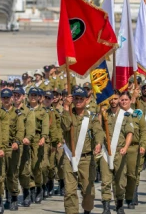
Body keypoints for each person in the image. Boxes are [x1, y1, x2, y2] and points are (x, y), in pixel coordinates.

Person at [61, 86, 103, 214]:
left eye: (81, 98)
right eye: (76, 98)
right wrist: (66, 107)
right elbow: (65, 126)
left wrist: (99, 143)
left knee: (88, 191)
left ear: (86, 100)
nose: (78, 101)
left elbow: (98, 130)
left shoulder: (91, 116)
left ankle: (87, 210)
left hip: (86, 158)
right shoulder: (67, 114)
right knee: (69, 191)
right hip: (70, 157)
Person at [99, 90, 133, 214]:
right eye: (111, 99)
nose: (113, 101)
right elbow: (98, 128)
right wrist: (100, 112)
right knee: (105, 180)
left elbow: (130, 132)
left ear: (119, 99)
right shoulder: (104, 114)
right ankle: (106, 206)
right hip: (106, 152)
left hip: (120, 151)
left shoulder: (125, 115)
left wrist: (126, 147)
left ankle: (119, 204)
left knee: (120, 181)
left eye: (115, 99)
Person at [0, 88, 25, 211]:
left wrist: (17, 141)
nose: (5, 100)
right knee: (1, 174)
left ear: (11, 98)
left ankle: (14, 197)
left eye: (7, 98)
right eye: (3, 98)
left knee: (12, 174)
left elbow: (20, 130)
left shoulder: (17, 113)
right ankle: (7, 197)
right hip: (0, 147)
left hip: (12, 147)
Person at [123, 90, 146, 209]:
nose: (123, 102)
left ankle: (132, 196)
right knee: (122, 174)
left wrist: (143, 145)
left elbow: (143, 130)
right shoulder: (117, 115)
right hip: (120, 149)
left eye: (126, 100)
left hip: (134, 148)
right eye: (121, 100)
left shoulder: (137, 114)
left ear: (129, 101)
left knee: (132, 174)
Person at [27, 87, 49, 204]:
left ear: (39, 97)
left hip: (37, 139)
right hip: (26, 139)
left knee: (37, 165)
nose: (33, 97)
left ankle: (39, 186)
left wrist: (43, 137)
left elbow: (45, 126)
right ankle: (31, 189)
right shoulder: (24, 109)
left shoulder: (43, 112)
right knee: (27, 165)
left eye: (36, 95)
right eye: (31, 95)